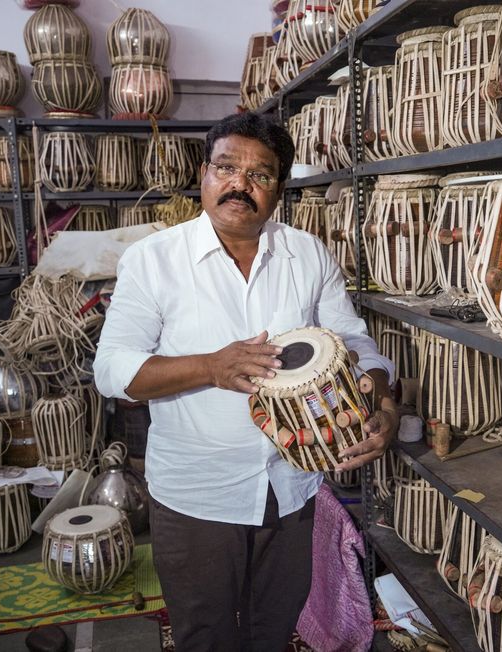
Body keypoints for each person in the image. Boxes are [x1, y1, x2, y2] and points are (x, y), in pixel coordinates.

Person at [93, 112, 399, 652]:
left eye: (261, 174)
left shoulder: (307, 254)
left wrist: (381, 400)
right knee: (205, 636)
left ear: (279, 189)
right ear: (204, 174)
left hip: (292, 487)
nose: (241, 184)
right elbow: (113, 371)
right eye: (227, 167)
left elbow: (356, 343)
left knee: (273, 628)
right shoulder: (153, 260)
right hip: (196, 497)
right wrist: (210, 366)